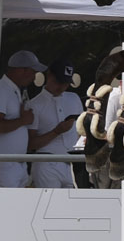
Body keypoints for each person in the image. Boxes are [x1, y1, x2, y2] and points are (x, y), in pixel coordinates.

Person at [0, 50, 46, 188]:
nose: (34, 77)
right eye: (33, 72)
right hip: (3, 164)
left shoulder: (14, 90)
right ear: (22, 70)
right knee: (5, 202)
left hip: (17, 164)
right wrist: (23, 120)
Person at [27, 58, 85, 189]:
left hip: (72, 163)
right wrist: (56, 132)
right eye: (58, 81)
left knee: (73, 201)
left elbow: (81, 131)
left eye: (65, 83)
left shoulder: (74, 98)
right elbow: (31, 144)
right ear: (49, 75)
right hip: (46, 163)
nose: (61, 87)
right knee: (49, 200)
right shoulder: (34, 105)